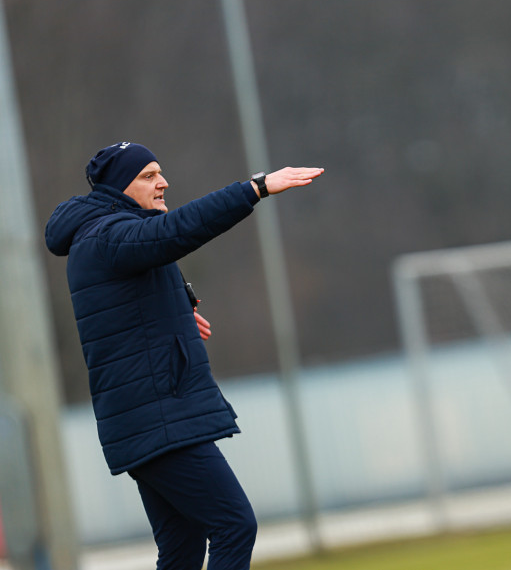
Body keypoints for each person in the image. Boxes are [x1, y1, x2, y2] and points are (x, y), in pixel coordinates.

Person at [44, 141, 322, 570]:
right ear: (120, 186)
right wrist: (255, 188)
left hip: (149, 419)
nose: (163, 183)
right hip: (157, 419)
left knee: (182, 549)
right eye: (149, 176)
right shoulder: (108, 234)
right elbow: (175, 232)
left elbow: (129, 298)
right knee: (234, 525)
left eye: (159, 172)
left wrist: (173, 308)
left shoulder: (106, 233)